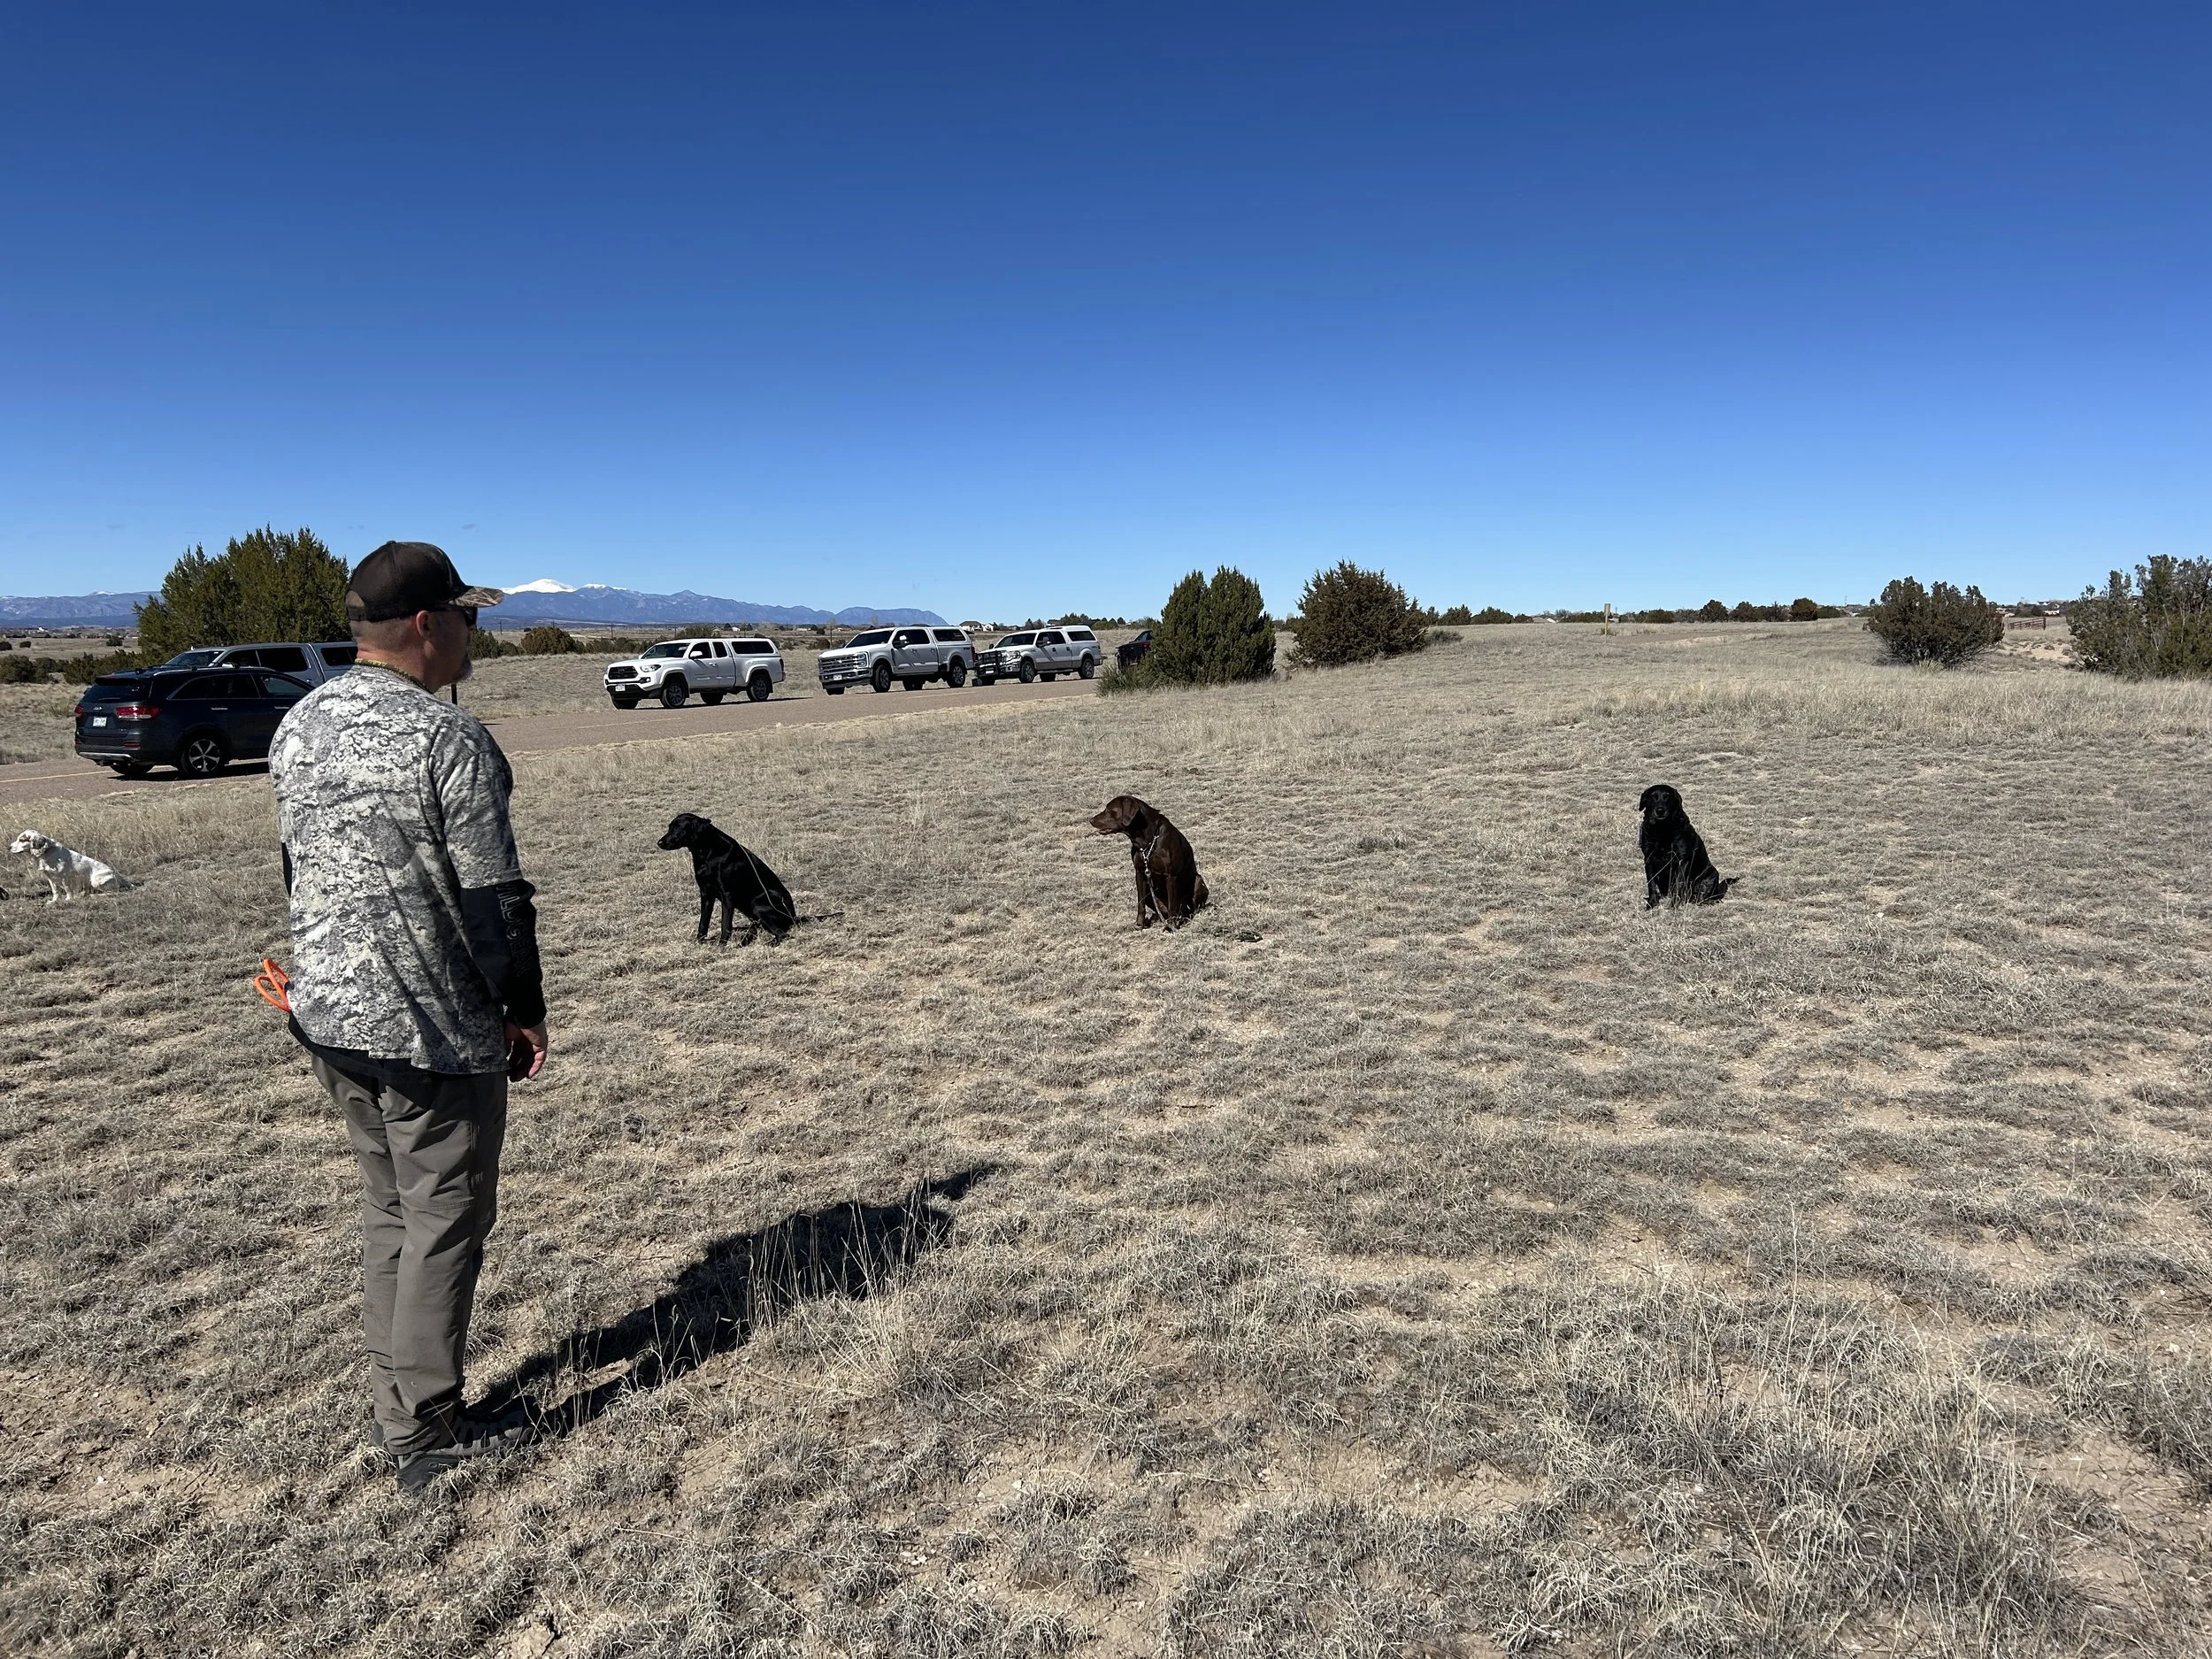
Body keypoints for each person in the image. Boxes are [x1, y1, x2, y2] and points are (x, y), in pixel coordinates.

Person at [269, 541, 549, 1492]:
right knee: (445, 1218)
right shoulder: (448, 739)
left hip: (329, 1016)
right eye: (469, 615)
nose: (478, 631)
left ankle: (402, 1400)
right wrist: (523, 1014)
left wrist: (311, 982)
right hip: (428, 1026)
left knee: (392, 1209)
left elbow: (296, 871)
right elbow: (494, 901)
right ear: (428, 624)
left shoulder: (298, 725)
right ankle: (424, 1431)